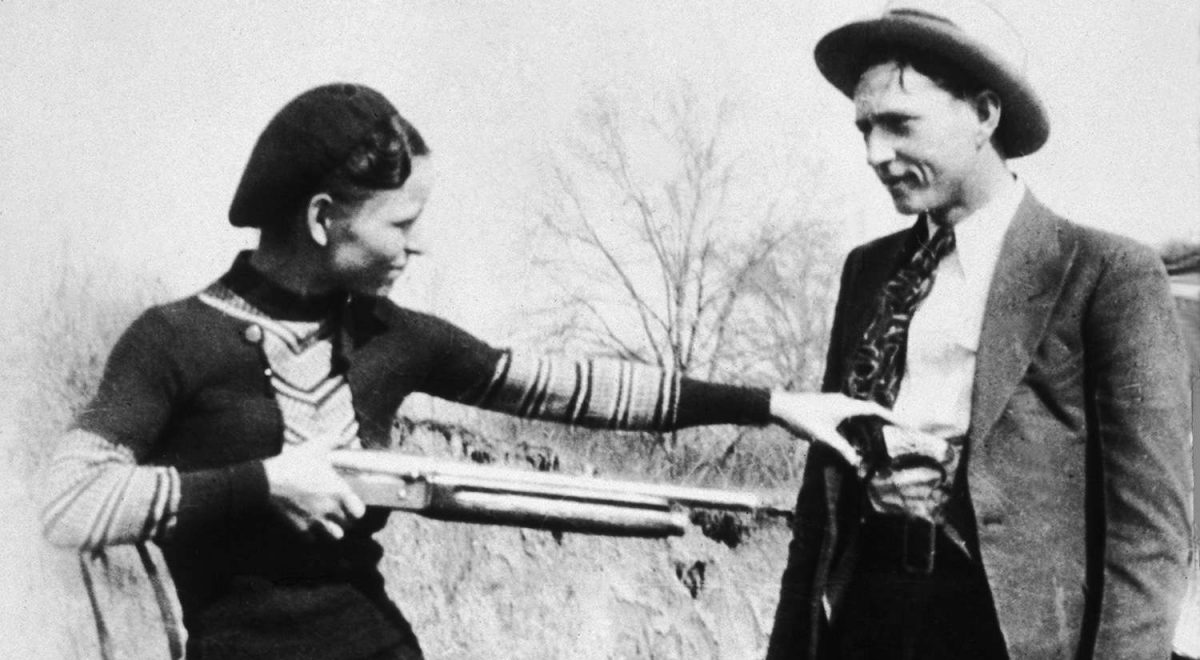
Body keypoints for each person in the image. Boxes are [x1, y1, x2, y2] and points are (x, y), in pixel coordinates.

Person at [35, 83, 890, 660]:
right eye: (402, 223)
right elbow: (67, 503)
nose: (418, 244)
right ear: (324, 217)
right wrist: (265, 482)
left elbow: (575, 387)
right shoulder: (173, 338)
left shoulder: (394, 336)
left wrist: (776, 404)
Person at [765, 2, 1193, 659]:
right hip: (869, 619)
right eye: (864, 130)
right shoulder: (869, 273)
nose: (877, 154)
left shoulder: (1107, 274)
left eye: (900, 124)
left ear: (984, 116)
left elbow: (1150, 530)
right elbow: (821, 496)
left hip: (1011, 638)